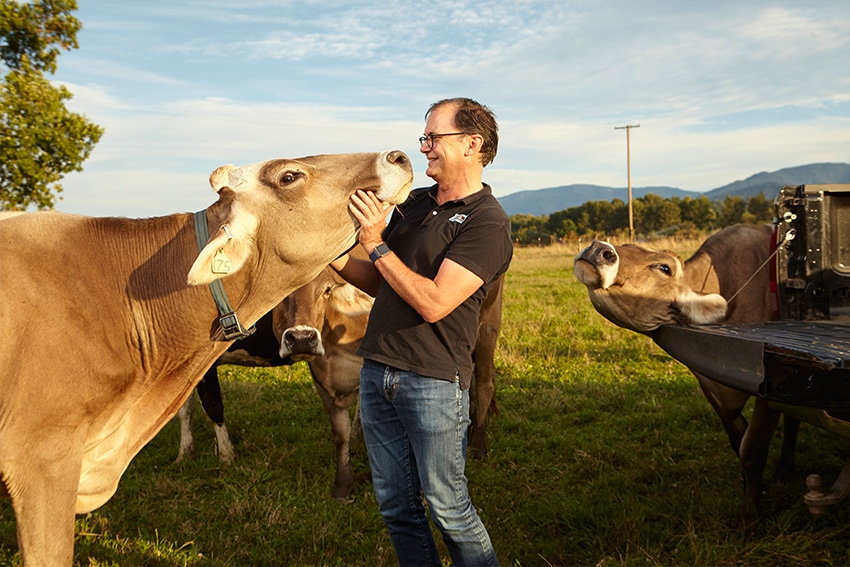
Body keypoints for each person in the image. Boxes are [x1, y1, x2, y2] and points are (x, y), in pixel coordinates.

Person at [330, 97, 512, 566]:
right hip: (378, 373)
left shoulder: (487, 222)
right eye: (424, 138)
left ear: (472, 144)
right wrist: (323, 249)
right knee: (397, 508)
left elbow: (434, 302)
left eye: (434, 137)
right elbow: (377, 277)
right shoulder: (415, 204)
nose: (425, 148)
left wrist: (373, 241)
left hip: (432, 380)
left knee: (448, 509)